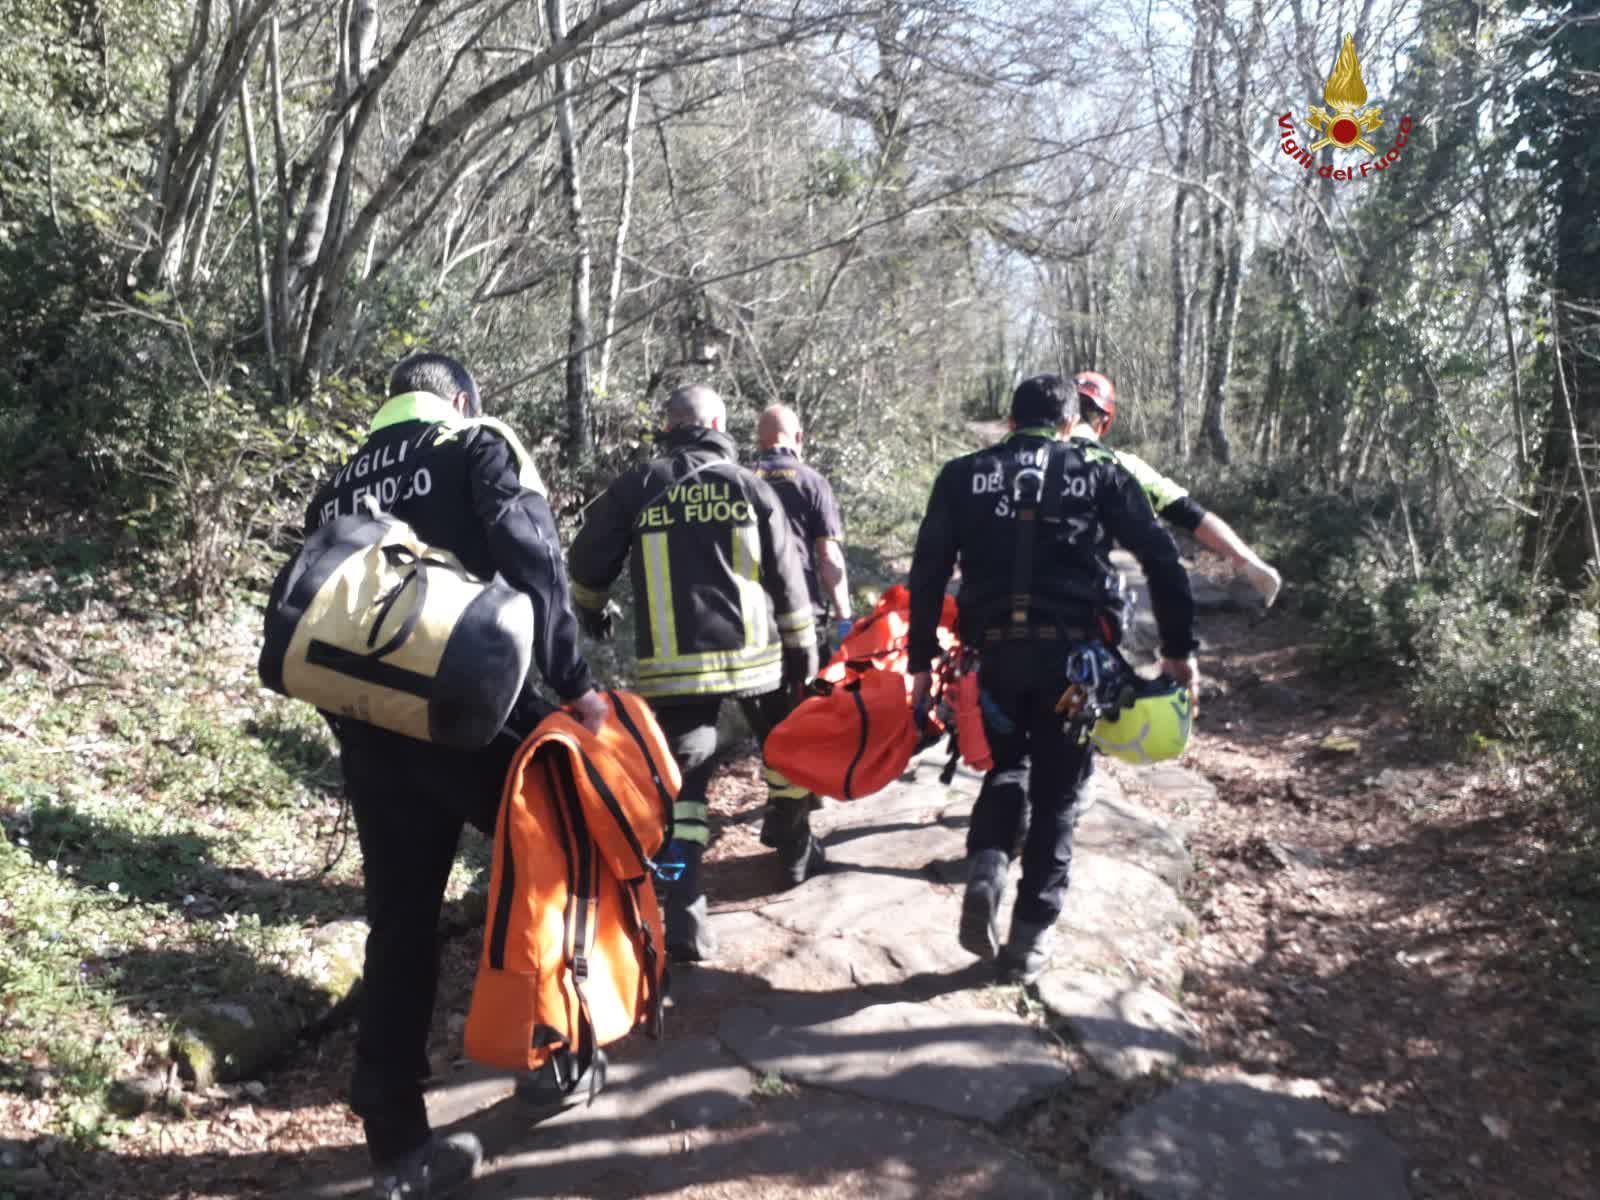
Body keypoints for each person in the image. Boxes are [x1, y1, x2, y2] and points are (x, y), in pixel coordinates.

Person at [304, 352, 608, 1200]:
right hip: (476, 717)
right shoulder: (476, 441)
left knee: (399, 924)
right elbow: (535, 559)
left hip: (373, 729)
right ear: (463, 395)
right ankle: (553, 1052)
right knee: (558, 864)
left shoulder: (338, 483)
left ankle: (394, 1139)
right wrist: (576, 684)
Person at [907, 374, 1199, 984]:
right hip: (1074, 668)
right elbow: (1162, 558)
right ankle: (1028, 941)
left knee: (1007, 767)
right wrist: (1177, 651)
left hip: (994, 659)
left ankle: (987, 866)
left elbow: (928, 572)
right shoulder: (1098, 469)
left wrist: (919, 663)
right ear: (1070, 424)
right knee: (1058, 798)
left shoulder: (961, 475)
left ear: (1011, 422)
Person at [567, 384, 820, 963]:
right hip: (758, 661)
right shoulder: (750, 485)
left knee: (681, 797)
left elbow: (585, 564)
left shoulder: (640, 486)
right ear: (715, 423)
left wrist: (592, 607)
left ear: (671, 426)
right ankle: (797, 853)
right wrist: (801, 649)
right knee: (785, 754)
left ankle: (681, 909)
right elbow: (786, 572)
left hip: (674, 674)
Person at [1068, 371, 1282, 606]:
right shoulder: (1119, 465)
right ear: (1104, 421)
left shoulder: (1022, 456)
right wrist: (1249, 562)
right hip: (1083, 612)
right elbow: (1190, 514)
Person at [749, 403, 851, 858]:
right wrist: (845, 613)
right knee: (809, 706)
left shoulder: (739, 480)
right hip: (805, 616)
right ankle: (807, 794)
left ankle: (785, 797)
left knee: (772, 717)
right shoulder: (812, 482)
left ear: (758, 439)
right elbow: (828, 558)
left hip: (752, 621)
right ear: (799, 436)